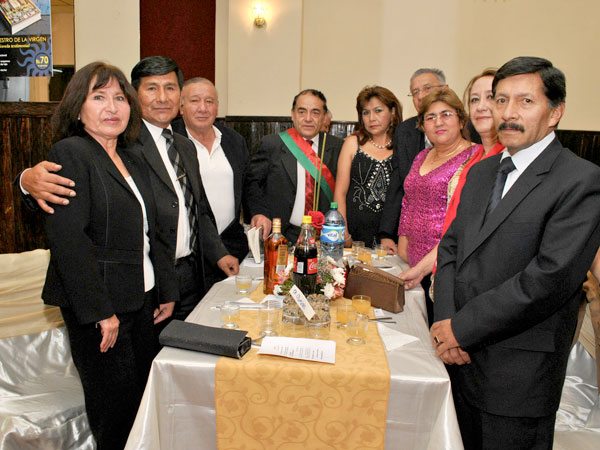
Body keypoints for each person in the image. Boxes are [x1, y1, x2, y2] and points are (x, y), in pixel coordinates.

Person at [432, 56, 600, 449]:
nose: (508, 113)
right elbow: (452, 247)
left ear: (555, 112)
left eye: (525, 101)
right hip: (458, 359)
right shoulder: (481, 172)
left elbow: (549, 278)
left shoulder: (580, 180)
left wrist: (461, 328)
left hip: (518, 372)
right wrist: (445, 322)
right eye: (501, 100)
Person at [20, 56, 239, 321]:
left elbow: (195, 209)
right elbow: (68, 218)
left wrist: (218, 254)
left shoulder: (185, 146)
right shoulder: (119, 142)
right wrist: (25, 180)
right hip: (136, 284)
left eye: (170, 88)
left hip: (188, 276)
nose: (162, 98)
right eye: (152, 88)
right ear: (135, 95)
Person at [41, 62, 177, 449]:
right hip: (100, 310)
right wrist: (100, 312)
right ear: (77, 107)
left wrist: (165, 289)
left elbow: (153, 231)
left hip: (142, 301)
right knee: (115, 415)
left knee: (143, 403)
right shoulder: (71, 153)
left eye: (120, 98)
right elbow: (69, 242)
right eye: (98, 97)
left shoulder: (132, 156)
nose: (112, 107)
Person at [174, 77, 268, 287]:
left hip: (231, 243)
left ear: (217, 107)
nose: (203, 108)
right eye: (195, 101)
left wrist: (258, 212)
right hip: (189, 250)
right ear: (181, 107)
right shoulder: (170, 141)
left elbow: (248, 184)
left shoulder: (233, 140)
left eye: (209, 101)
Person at [396, 88, 477, 324]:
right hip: (412, 265)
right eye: (430, 117)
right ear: (422, 125)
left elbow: (465, 221)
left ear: (461, 120)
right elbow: (409, 200)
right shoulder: (422, 156)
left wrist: (423, 266)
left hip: (446, 268)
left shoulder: (475, 157)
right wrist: (403, 247)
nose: (438, 122)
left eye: (446, 115)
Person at [246, 89, 343, 242]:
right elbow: (252, 184)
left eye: (315, 112)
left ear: (324, 117)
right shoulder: (272, 144)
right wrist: (259, 212)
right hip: (280, 234)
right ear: (292, 114)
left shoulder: (338, 147)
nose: (308, 118)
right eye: (302, 111)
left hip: (325, 237)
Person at [378, 68, 447, 249]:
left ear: (444, 90)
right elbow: (398, 182)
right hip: (411, 236)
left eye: (427, 88)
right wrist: (386, 233)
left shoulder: (467, 130)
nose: (420, 96)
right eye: (415, 92)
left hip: (448, 236)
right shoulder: (404, 131)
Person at [334, 85, 402, 247]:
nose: (371, 118)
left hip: (391, 237)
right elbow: (340, 193)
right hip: (354, 236)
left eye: (378, 111)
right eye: (366, 112)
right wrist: (343, 233)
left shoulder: (403, 146)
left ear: (392, 112)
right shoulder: (352, 143)